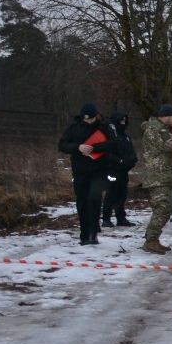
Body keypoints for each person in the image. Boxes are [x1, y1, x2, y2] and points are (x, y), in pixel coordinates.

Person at [58, 103, 116, 245]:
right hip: (80, 170)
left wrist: (94, 148)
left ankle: (93, 233)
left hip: (99, 169)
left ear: (96, 116)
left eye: (91, 119)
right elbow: (62, 145)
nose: (89, 121)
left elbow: (113, 143)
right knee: (82, 201)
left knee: (94, 199)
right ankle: (84, 234)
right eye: (86, 119)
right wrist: (78, 147)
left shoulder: (104, 127)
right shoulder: (73, 128)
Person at [140, 104, 172, 254]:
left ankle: (153, 239)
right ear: (166, 115)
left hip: (163, 176)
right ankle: (150, 240)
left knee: (165, 208)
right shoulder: (155, 130)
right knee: (163, 208)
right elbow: (171, 145)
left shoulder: (162, 129)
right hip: (157, 176)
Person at [101, 112, 138, 227]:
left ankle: (121, 217)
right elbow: (106, 153)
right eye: (121, 121)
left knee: (122, 194)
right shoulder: (111, 135)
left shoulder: (126, 136)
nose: (123, 123)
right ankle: (106, 218)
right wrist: (118, 161)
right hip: (113, 169)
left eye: (124, 121)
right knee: (111, 193)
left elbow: (131, 151)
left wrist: (132, 160)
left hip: (124, 170)